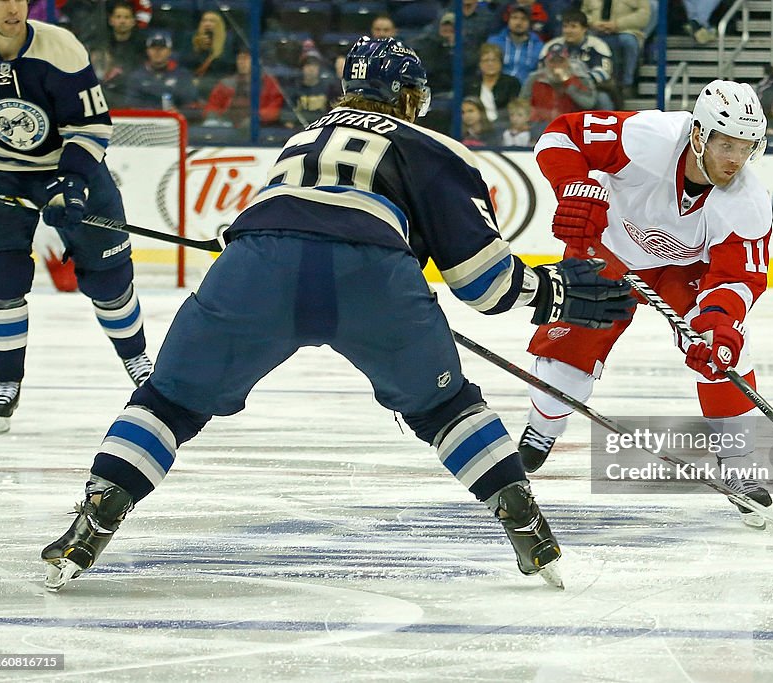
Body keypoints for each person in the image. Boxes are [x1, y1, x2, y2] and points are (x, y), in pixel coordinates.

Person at [40, 36, 635, 592]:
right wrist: (551, 292)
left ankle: (94, 518)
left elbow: (281, 216)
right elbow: (484, 285)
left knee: (168, 400)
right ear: (407, 96)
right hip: (370, 276)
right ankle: (529, 529)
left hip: (256, 265)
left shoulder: (304, 137)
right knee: (447, 407)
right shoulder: (434, 147)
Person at [515, 80, 773, 525]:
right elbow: (559, 135)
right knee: (570, 350)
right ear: (698, 134)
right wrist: (572, 189)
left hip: (683, 269)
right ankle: (542, 429)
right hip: (605, 244)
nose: (736, 159)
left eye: (746, 146)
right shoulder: (647, 137)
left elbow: (737, 278)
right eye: (726, 143)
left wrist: (718, 323)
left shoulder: (748, 202)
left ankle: (737, 464)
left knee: (728, 350)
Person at [0, 0, 153, 434]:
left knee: (110, 277)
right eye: (1, 1)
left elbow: (92, 126)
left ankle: (136, 357)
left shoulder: (62, 48)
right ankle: (6, 382)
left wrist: (72, 182)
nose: (12, 8)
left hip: (68, 167)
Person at [541, 9, 619, 108]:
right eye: (565, 26)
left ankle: (608, 123)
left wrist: (580, 81)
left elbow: (604, 71)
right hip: (556, 87)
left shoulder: (597, 45)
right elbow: (542, 69)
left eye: (573, 26)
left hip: (590, 89)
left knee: (602, 99)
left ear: (584, 28)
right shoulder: (552, 46)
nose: (568, 31)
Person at [123, 31, 202, 121]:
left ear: (169, 51)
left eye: (162, 48)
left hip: (174, 126)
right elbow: (131, 107)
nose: (157, 52)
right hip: (144, 126)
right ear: (147, 51)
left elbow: (194, 108)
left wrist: (179, 112)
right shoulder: (136, 77)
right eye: (153, 48)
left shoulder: (182, 75)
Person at [203, 45, 285, 129]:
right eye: (239, 58)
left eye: (246, 58)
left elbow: (274, 109)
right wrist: (212, 115)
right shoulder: (226, 83)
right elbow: (212, 105)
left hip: (258, 129)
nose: (241, 62)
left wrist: (256, 118)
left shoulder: (269, 83)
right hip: (227, 126)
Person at [522, 44, 597, 134]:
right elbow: (523, 104)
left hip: (572, 126)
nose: (556, 66)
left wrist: (567, 83)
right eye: (553, 62)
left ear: (568, 62)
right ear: (546, 63)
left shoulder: (580, 78)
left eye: (561, 61)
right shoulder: (535, 78)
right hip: (539, 125)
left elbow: (589, 104)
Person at [466, 43, 522, 124]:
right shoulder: (471, 84)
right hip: (475, 125)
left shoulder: (512, 83)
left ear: (501, 62)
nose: (490, 64)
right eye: (486, 60)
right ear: (479, 64)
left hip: (503, 126)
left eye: (494, 60)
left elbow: (514, 109)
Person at [488, 5, 545, 86]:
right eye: (514, 18)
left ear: (530, 23)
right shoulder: (494, 42)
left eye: (523, 19)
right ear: (508, 20)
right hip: (498, 88)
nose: (518, 22)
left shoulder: (539, 46)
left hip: (526, 91)